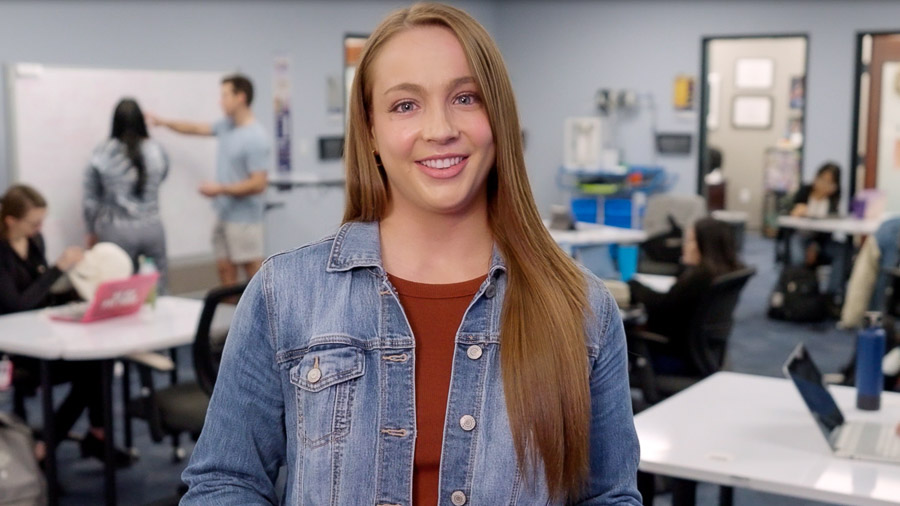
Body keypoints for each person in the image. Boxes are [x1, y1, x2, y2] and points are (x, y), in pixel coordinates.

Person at [181, 3, 641, 504]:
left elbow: (608, 495)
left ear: (499, 117)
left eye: (466, 97)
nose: (440, 128)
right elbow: (225, 482)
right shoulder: (285, 294)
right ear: (371, 131)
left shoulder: (581, 310)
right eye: (405, 105)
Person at [0, 184, 130, 466]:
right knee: (90, 372)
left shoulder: (35, 242)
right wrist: (59, 268)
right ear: (11, 220)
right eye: (34, 222)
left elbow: (40, 294)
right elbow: (17, 305)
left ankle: (94, 434)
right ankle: (51, 444)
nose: (39, 228)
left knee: (98, 362)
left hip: (39, 333)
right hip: (14, 348)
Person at [147, 75, 270, 286]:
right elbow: (194, 128)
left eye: (225, 95)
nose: (220, 101)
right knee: (225, 272)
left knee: (253, 279)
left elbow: (258, 184)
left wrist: (220, 189)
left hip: (245, 220)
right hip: (224, 215)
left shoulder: (256, 137)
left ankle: (262, 319)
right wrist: (162, 122)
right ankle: (233, 319)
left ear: (240, 97)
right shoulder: (226, 127)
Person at [628, 217, 743, 371]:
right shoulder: (725, 272)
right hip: (701, 353)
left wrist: (633, 286)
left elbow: (662, 306)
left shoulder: (700, 277)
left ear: (705, 246)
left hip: (672, 353)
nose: (684, 246)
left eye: (690, 241)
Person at [83, 98, 170, 291]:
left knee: (118, 290)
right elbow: (162, 176)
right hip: (152, 228)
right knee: (158, 288)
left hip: (116, 230)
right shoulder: (157, 150)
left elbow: (90, 199)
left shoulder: (102, 153)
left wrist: (90, 230)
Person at [788, 162, 845, 297]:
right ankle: (801, 293)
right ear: (816, 178)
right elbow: (789, 216)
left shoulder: (832, 201)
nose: (824, 184)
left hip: (821, 241)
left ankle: (830, 295)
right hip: (800, 236)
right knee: (798, 256)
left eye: (829, 182)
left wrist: (815, 246)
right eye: (822, 179)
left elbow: (828, 230)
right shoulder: (804, 192)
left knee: (843, 251)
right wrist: (795, 211)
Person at [840, 216, 900, 329]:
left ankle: (861, 320)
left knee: (867, 281)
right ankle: (869, 322)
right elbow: (887, 274)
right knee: (875, 283)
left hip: (885, 233)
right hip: (885, 238)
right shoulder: (892, 236)